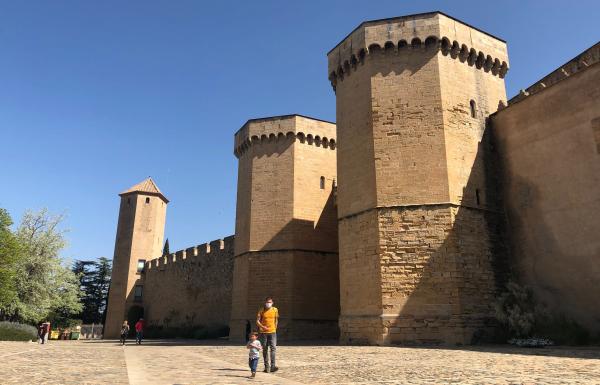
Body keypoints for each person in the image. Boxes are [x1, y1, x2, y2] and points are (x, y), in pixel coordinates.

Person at [256, 296, 279, 373]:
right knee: (265, 349)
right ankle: (267, 367)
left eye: (270, 302)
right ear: (265, 303)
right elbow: (257, 321)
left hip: (272, 332)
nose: (268, 303)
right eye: (267, 302)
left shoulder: (275, 310)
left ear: (272, 303)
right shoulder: (261, 310)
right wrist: (262, 327)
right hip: (264, 332)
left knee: (273, 348)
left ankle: (273, 366)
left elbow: (276, 320)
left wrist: (275, 328)